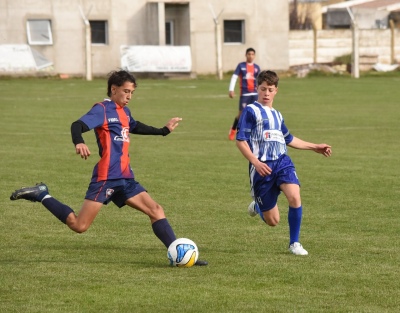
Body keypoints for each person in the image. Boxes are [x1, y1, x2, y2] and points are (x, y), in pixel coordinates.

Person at [10, 70, 208, 266]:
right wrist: (79, 142)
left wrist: (163, 131)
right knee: (79, 226)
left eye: (132, 92)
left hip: (125, 177)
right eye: (126, 91)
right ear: (114, 89)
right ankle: (41, 194)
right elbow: (76, 125)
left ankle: (179, 254)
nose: (129, 96)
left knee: (156, 210)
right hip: (106, 177)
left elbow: (134, 126)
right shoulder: (102, 109)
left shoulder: (125, 111)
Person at [235, 70, 332, 255]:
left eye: (270, 89)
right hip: (262, 169)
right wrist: (255, 162)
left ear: (276, 91)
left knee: (295, 196)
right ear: (257, 88)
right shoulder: (250, 111)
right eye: (263, 89)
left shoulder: (278, 115)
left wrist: (314, 147)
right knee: (273, 221)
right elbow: (240, 140)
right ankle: (258, 205)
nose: (266, 93)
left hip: (282, 162)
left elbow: (289, 139)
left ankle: (294, 243)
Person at [228, 47, 261, 140]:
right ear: (246, 55)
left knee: (255, 113)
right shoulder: (241, 66)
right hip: (245, 93)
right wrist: (231, 89)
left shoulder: (257, 67)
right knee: (241, 114)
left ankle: (253, 133)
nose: (250, 56)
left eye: (252, 54)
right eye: (249, 54)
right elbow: (234, 77)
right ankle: (233, 129)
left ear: (254, 56)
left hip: (254, 93)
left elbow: (260, 80)